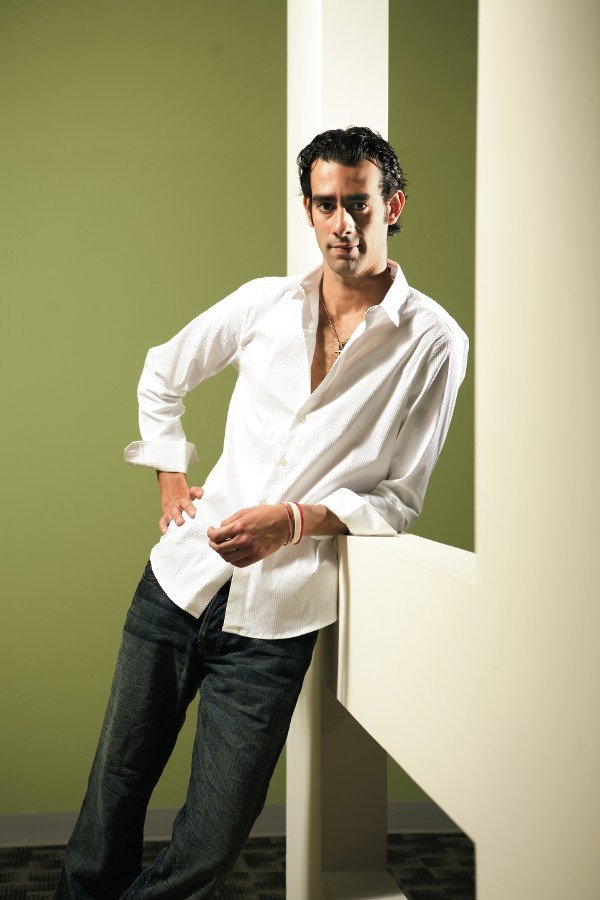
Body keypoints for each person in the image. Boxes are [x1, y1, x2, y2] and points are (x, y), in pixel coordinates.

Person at [55, 125, 469, 898]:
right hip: (177, 586)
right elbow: (162, 373)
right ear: (308, 210)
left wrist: (295, 520)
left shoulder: (434, 342)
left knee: (211, 843)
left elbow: (399, 499)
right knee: (111, 800)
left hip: (277, 624)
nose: (343, 223)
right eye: (326, 204)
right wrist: (170, 477)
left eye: (359, 203)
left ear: (393, 206)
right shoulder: (264, 304)